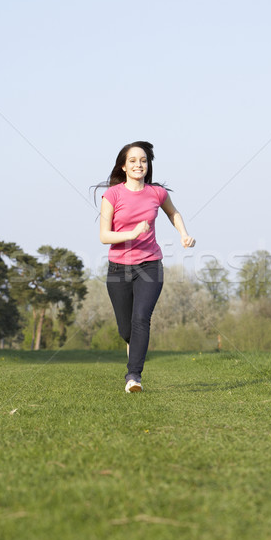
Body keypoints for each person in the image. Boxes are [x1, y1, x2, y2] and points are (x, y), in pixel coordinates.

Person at [99, 141, 195, 393]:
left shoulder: (157, 193)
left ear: (147, 165)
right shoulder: (112, 195)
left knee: (141, 318)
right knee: (126, 329)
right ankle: (134, 357)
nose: (138, 165)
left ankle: (133, 377)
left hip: (150, 265)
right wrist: (132, 232)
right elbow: (104, 236)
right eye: (132, 161)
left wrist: (184, 234)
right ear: (124, 165)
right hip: (118, 269)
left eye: (142, 160)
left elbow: (173, 213)